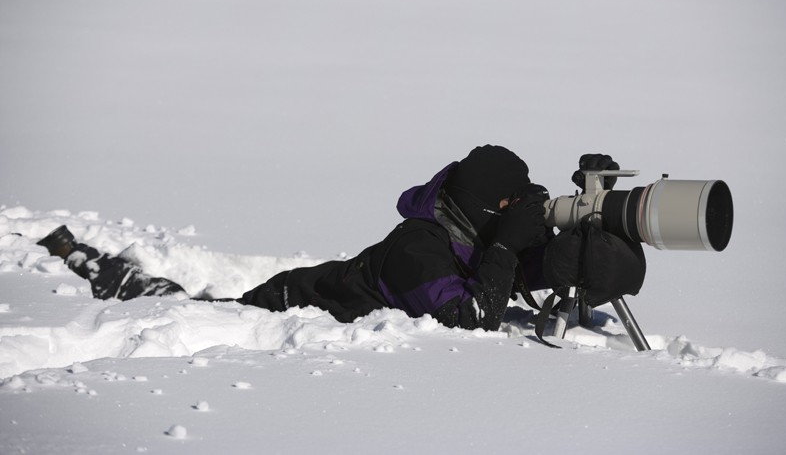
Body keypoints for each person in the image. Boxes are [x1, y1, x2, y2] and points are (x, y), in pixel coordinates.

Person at [36, 146, 618, 332]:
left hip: (304, 294)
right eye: (512, 205)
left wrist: (587, 250)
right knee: (167, 308)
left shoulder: (467, 239)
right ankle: (86, 260)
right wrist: (507, 248)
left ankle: (99, 265)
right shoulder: (419, 246)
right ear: (486, 208)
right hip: (274, 309)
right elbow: (473, 316)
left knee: (172, 300)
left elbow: (510, 275)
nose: (519, 216)